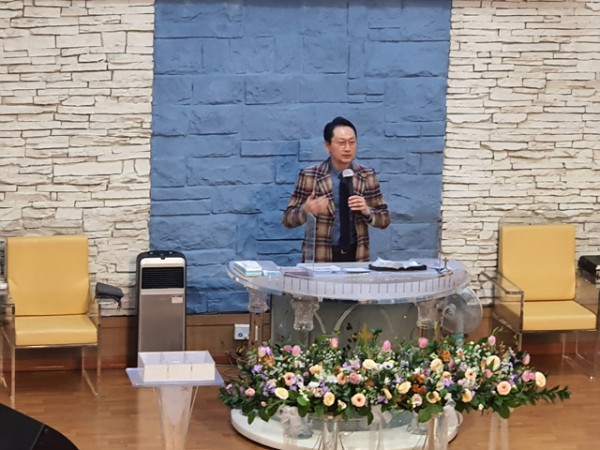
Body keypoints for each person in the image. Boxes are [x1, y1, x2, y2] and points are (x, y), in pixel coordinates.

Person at [282, 116, 390, 262]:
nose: (348, 148)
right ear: (327, 146)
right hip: (321, 257)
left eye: (352, 142)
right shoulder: (310, 176)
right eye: (341, 143)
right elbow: (287, 220)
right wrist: (306, 210)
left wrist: (366, 210)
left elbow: (384, 219)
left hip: (357, 257)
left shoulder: (366, 175)